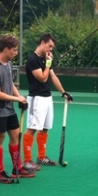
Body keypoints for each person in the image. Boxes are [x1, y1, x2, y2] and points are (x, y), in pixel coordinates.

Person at [0, 35, 35, 183]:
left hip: (9, 109)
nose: (16, 53)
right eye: (14, 50)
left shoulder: (8, 64)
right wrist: (16, 99)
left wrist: (19, 96)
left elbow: (11, 84)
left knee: (15, 136)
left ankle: (17, 168)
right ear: (6, 49)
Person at [23, 33, 73, 168]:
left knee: (45, 128)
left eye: (52, 47)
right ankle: (27, 161)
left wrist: (63, 92)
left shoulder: (45, 59)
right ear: (43, 43)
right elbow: (43, 78)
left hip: (47, 97)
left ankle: (41, 157)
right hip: (36, 98)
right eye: (49, 46)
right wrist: (48, 63)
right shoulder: (32, 59)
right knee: (32, 128)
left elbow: (52, 76)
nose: (51, 49)